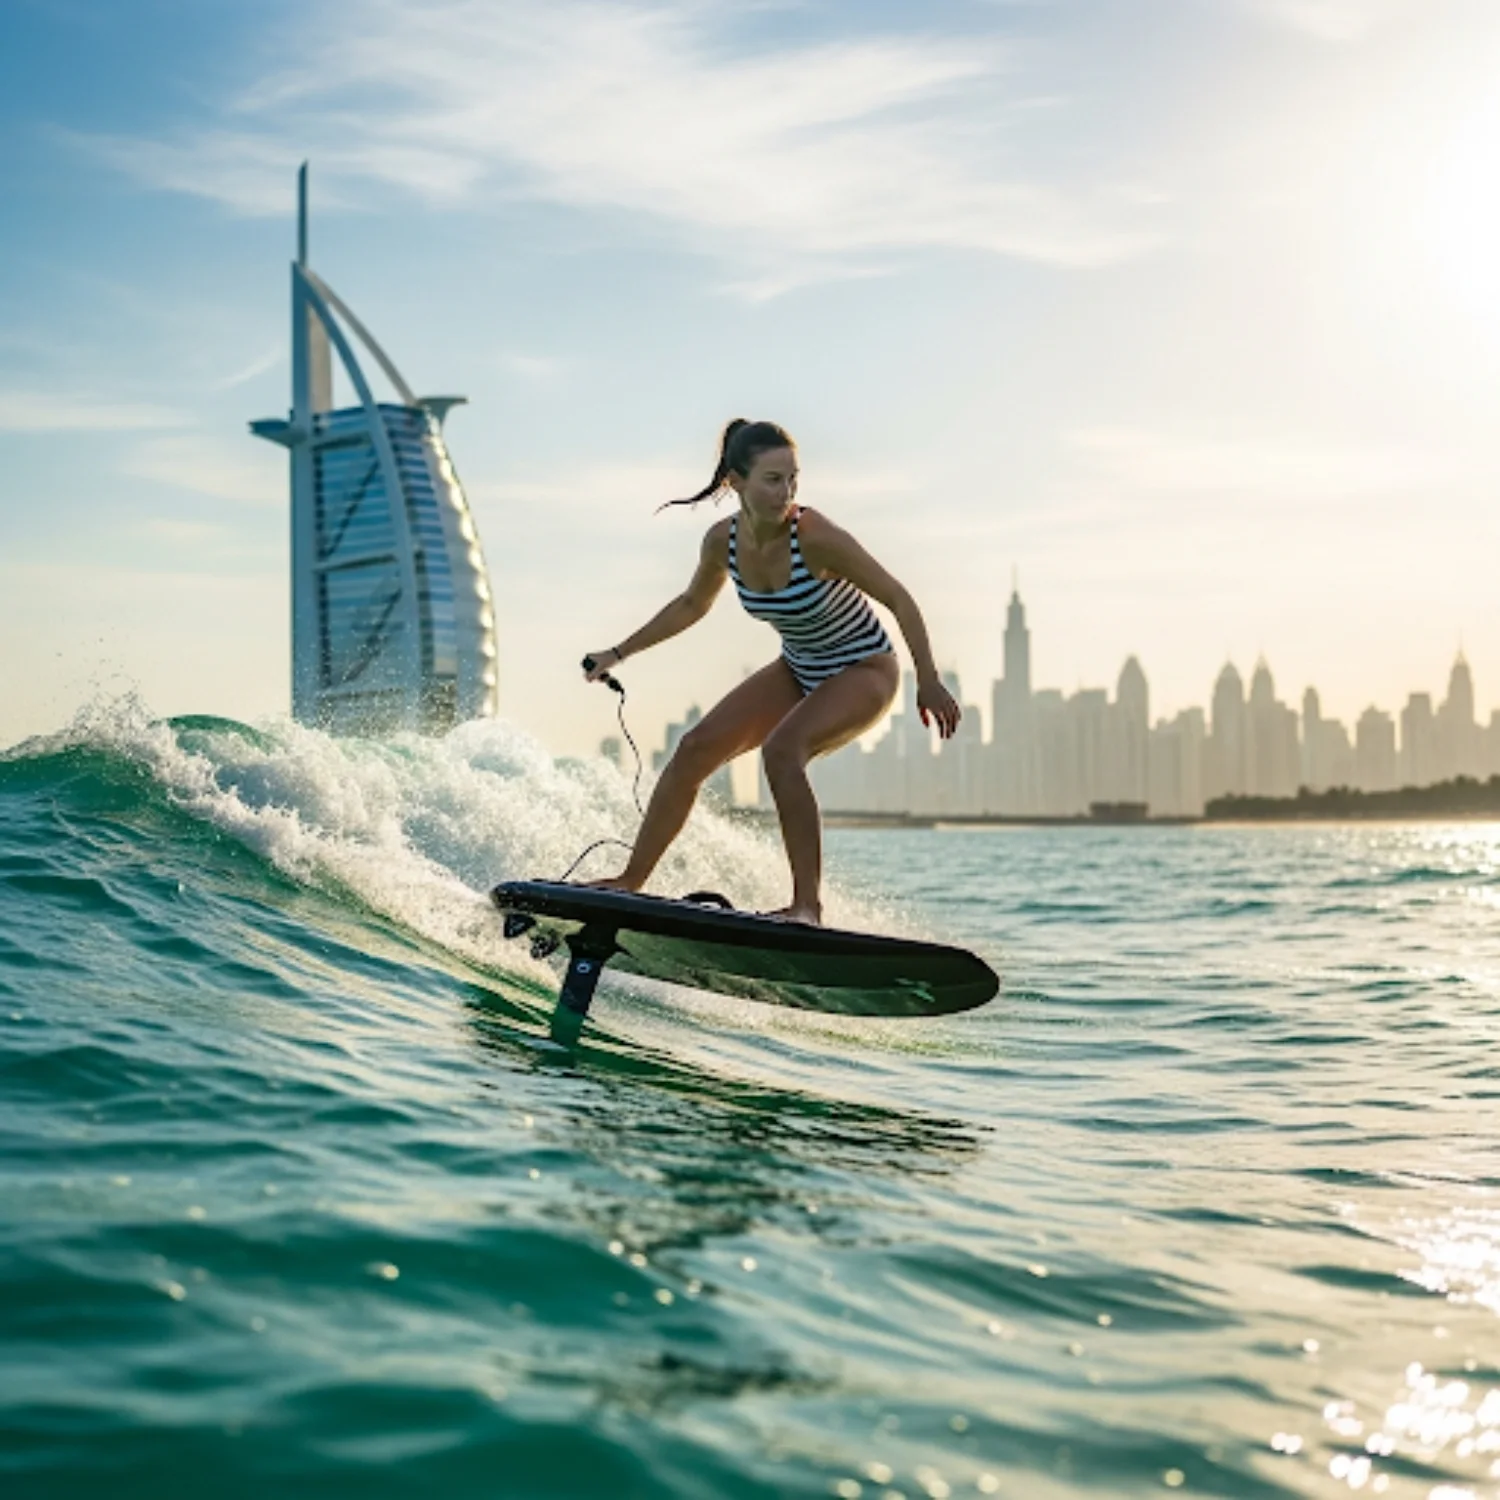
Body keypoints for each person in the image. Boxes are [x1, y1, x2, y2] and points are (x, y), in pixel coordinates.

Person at [584, 419, 960, 925]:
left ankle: (807, 907)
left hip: (864, 668)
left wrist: (929, 680)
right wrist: (618, 652)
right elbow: (692, 604)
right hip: (799, 666)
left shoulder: (816, 536)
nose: (787, 492)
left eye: (792, 478)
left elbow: (898, 597)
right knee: (694, 748)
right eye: (772, 479)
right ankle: (630, 881)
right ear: (735, 482)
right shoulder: (723, 543)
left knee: (783, 752)